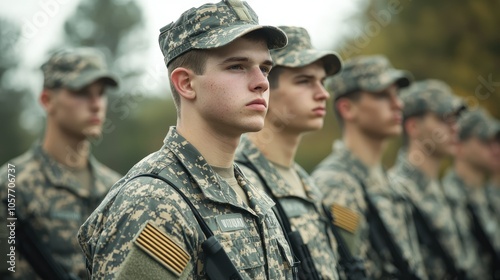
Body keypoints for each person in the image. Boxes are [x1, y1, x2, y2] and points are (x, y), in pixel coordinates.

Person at [77, 0, 296, 279]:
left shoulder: (255, 196)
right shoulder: (152, 202)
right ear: (186, 84)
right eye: (237, 67)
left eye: (264, 68)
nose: (262, 82)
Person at [0, 47, 121, 279]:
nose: (96, 104)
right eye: (82, 92)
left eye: (101, 93)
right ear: (47, 100)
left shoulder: (116, 189)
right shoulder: (12, 186)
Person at [235, 26, 343, 279]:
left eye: (323, 82)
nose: (323, 94)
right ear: (265, 87)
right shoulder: (241, 183)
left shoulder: (306, 182)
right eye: (304, 81)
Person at [312, 55, 428, 279]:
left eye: (397, 95)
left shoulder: (390, 181)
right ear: (347, 109)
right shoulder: (336, 184)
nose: (398, 104)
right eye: (383, 95)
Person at [388, 79, 479, 279]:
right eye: (444, 119)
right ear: (413, 127)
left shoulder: (448, 192)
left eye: (455, 119)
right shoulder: (395, 193)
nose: (455, 128)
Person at [442, 107, 500, 279]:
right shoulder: (448, 198)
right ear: (458, 145)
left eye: (496, 141)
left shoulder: (487, 197)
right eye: (484, 141)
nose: (495, 149)